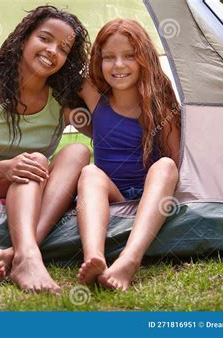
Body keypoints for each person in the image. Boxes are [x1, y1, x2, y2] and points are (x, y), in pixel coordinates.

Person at [0, 6, 91, 293]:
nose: (52, 51)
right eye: (45, 39)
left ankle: (22, 252)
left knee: (78, 153)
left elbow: (108, 133)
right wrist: (8, 167)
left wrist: (86, 83)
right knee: (35, 162)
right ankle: (28, 256)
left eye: (63, 50)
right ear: (24, 39)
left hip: (33, 185)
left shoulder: (60, 100)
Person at [76, 18, 181, 291]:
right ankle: (94, 257)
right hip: (112, 195)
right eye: (109, 57)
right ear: (98, 61)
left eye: (129, 56)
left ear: (144, 58)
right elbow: (45, 72)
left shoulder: (160, 102)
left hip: (147, 197)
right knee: (89, 172)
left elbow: (176, 162)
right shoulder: (93, 93)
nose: (118, 65)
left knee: (167, 166)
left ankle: (129, 260)